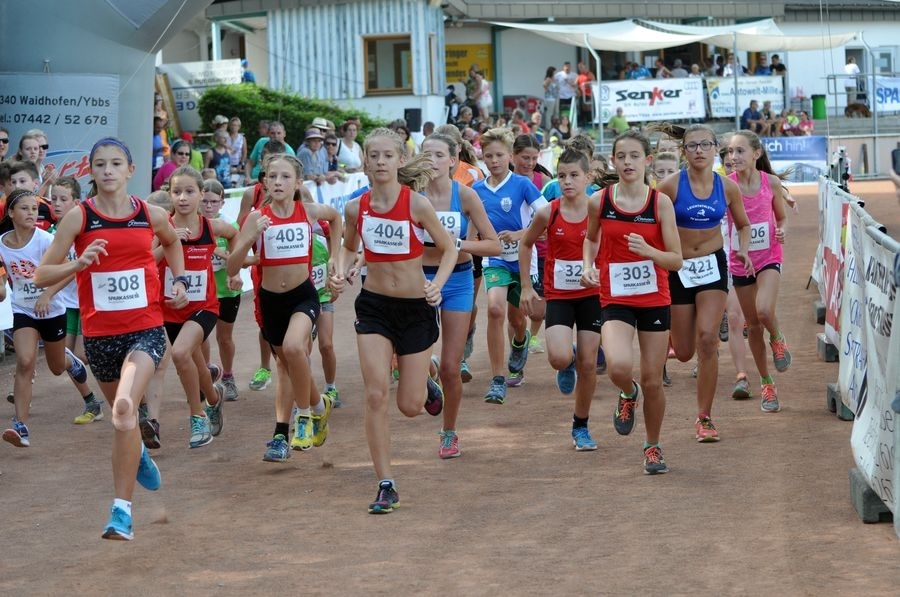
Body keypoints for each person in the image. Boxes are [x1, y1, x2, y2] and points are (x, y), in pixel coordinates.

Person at [35, 137, 189, 540]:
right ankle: (136, 450)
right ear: (92, 171)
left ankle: (121, 513)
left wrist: (180, 280)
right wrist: (79, 262)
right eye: (100, 164)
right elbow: (40, 275)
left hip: (146, 329)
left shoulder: (150, 214)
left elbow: (172, 243)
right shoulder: (79, 218)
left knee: (123, 409)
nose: (107, 171)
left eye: (115, 163)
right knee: (126, 423)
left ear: (130, 170)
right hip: (100, 337)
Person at [331, 127, 456, 513]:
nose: (381, 162)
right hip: (374, 308)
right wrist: (340, 271)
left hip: (416, 309)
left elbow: (450, 248)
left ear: (401, 160)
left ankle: (427, 386)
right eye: (374, 155)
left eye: (388, 155)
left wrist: (438, 284)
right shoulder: (356, 208)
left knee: (409, 406)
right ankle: (386, 482)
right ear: (364, 162)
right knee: (375, 394)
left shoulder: (416, 204)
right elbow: (348, 247)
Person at [581, 130, 683, 474]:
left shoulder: (660, 203)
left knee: (654, 379)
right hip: (615, 297)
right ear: (613, 160)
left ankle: (652, 446)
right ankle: (628, 393)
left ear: (647, 161)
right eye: (621, 156)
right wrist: (587, 266)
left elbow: (676, 260)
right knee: (619, 367)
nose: (627, 162)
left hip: (654, 297)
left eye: (634, 156)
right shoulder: (600, 201)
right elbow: (590, 240)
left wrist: (649, 251)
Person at [227, 153, 341, 461]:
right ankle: (320, 406)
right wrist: (250, 235)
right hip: (270, 301)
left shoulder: (308, 212)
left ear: (298, 183)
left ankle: (302, 417)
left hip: (303, 296)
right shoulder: (256, 217)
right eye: (272, 176)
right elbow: (231, 267)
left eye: (285, 177)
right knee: (287, 364)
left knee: (294, 349)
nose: (278, 182)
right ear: (264, 182)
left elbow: (336, 217)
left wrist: (335, 258)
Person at [655, 124, 753, 442]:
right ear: (684, 151)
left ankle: (705, 418)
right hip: (678, 269)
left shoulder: (727, 188)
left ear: (715, 150)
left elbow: (743, 224)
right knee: (684, 352)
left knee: (708, 340)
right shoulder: (669, 186)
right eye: (693, 145)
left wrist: (743, 250)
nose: (699, 150)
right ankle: (685, 334)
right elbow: (650, 223)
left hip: (712, 265)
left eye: (705, 145)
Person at [519, 148, 604, 450]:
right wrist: (528, 287)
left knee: (589, 364)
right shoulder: (549, 211)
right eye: (562, 176)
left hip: (593, 295)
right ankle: (566, 360)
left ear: (588, 177)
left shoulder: (600, 209)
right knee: (558, 358)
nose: (567, 182)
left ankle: (581, 426)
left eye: (574, 175)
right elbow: (526, 244)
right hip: (560, 295)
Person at [421, 132, 499, 458]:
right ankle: (427, 379)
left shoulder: (465, 196)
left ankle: (449, 432)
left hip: (457, 280)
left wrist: (458, 245)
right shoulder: (411, 196)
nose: (433, 161)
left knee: (452, 367)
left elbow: (493, 244)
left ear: (454, 160)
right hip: (419, 281)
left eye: (440, 155)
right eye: (426, 154)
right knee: (411, 360)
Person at [0, 188, 94, 447]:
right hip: (23, 309)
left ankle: (69, 361)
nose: (31, 213)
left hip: (52, 309)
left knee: (55, 367)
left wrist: (47, 295)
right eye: (24, 209)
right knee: (25, 361)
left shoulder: (44, 240)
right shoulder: (1, 244)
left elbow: (66, 272)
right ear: (11, 212)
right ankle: (21, 426)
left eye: (34, 209)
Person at [474, 128, 548, 404]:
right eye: (488, 155)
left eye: (499, 155)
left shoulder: (523, 185)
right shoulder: (476, 190)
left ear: (509, 157)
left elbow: (547, 221)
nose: (494, 161)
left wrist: (520, 235)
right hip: (494, 260)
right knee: (495, 309)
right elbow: (470, 228)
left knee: (517, 319)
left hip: (522, 260)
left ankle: (520, 341)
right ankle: (497, 379)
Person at [727, 131, 791, 413]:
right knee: (752, 326)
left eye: (740, 151)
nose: (733, 157)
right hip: (739, 261)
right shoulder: (726, 186)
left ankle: (777, 338)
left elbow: (782, 217)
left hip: (768, 257)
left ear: (756, 153)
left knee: (765, 312)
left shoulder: (771, 183)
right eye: (730, 152)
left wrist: (782, 230)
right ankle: (767, 383)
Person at [49, 177, 105, 424]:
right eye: (53, 199)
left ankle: (127, 392)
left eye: (63, 199)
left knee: (82, 354)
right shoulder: (51, 233)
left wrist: (48, 292)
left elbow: (79, 268)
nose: (57, 204)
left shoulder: (84, 231)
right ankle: (92, 401)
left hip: (89, 301)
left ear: (76, 202)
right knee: (63, 360)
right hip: (66, 303)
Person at [226, 117, 247, 186]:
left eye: (235, 125)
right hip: (227, 164)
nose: (233, 127)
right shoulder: (225, 137)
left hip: (237, 164)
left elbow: (244, 152)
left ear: (239, 127)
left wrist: (241, 163)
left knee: (236, 183)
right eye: (232, 125)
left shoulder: (242, 138)